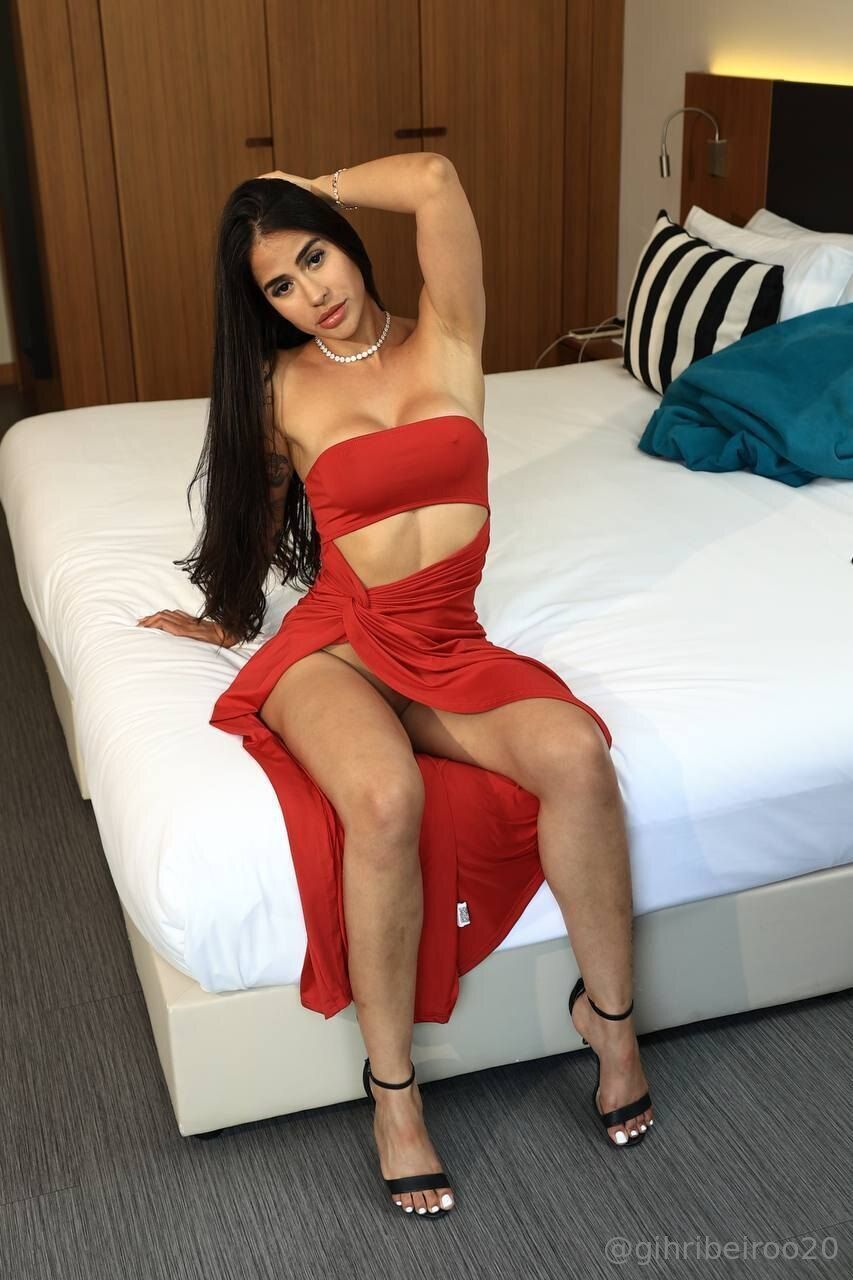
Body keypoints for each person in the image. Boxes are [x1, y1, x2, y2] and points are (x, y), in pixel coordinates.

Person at [136, 153, 655, 1220]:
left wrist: (312, 181)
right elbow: (251, 512)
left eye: (314, 256)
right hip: (339, 642)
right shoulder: (281, 387)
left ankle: (610, 1022)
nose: (312, 292)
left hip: (447, 642)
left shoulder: (449, 334)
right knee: (384, 799)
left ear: (345, 240)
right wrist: (227, 617)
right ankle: (394, 1093)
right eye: (281, 286)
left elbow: (432, 177)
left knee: (575, 755)